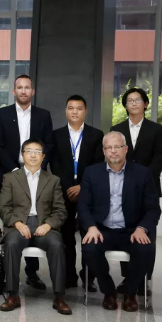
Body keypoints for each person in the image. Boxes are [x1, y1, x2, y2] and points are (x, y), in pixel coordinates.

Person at [78, 132, 160, 312]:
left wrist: (141, 228)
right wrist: (91, 227)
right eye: (109, 147)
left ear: (126, 149)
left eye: (117, 147)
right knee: (89, 248)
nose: (113, 151)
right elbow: (83, 205)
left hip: (132, 230)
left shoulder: (142, 173)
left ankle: (130, 293)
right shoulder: (92, 173)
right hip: (102, 229)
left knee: (145, 249)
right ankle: (108, 292)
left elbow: (153, 208)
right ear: (104, 151)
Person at [0, 74, 54, 290]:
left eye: (27, 87)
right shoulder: (2, 114)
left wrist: (36, 168)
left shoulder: (43, 115)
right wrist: (15, 171)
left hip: (36, 173)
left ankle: (31, 272)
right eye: (19, 87)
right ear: (14, 91)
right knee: (12, 220)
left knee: (34, 218)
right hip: (11, 172)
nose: (23, 91)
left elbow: (49, 144)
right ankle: (7, 272)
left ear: (32, 91)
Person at [0, 139, 71, 315]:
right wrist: (17, 223)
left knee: (56, 245)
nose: (33, 155)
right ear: (22, 155)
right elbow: (3, 208)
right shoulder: (10, 178)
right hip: (18, 225)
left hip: (44, 226)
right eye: (29, 151)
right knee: (11, 244)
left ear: (43, 156)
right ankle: (12, 295)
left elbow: (60, 210)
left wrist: (48, 224)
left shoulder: (53, 180)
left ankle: (59, 296)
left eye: (37, 152)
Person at [111, 87, 162, 294]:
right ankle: (128, 278)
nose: (133, 103)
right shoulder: (116, 129)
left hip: (148, 187)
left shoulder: (156, 130)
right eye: (129, 100)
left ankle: (144, 279)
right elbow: (114, 157)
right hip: (121, 187)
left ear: (145, 104)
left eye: (137, 100)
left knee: (146, 233)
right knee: (126, 229)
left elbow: (159, 159)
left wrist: (142, 181)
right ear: (125, 105)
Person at [50, 95, 104, 292]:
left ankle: (88, 276)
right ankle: (69, 275)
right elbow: (54, 164)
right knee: (66, 236)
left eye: (79, 108)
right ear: (66, 111)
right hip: (64, 192)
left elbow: (98, 164)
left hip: (88, 192)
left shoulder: (96, 135)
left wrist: (82, 186)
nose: (75, 112)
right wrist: (67, 187)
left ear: (85, 111)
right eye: (71, 108)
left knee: (88, 235)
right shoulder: (56, 135)